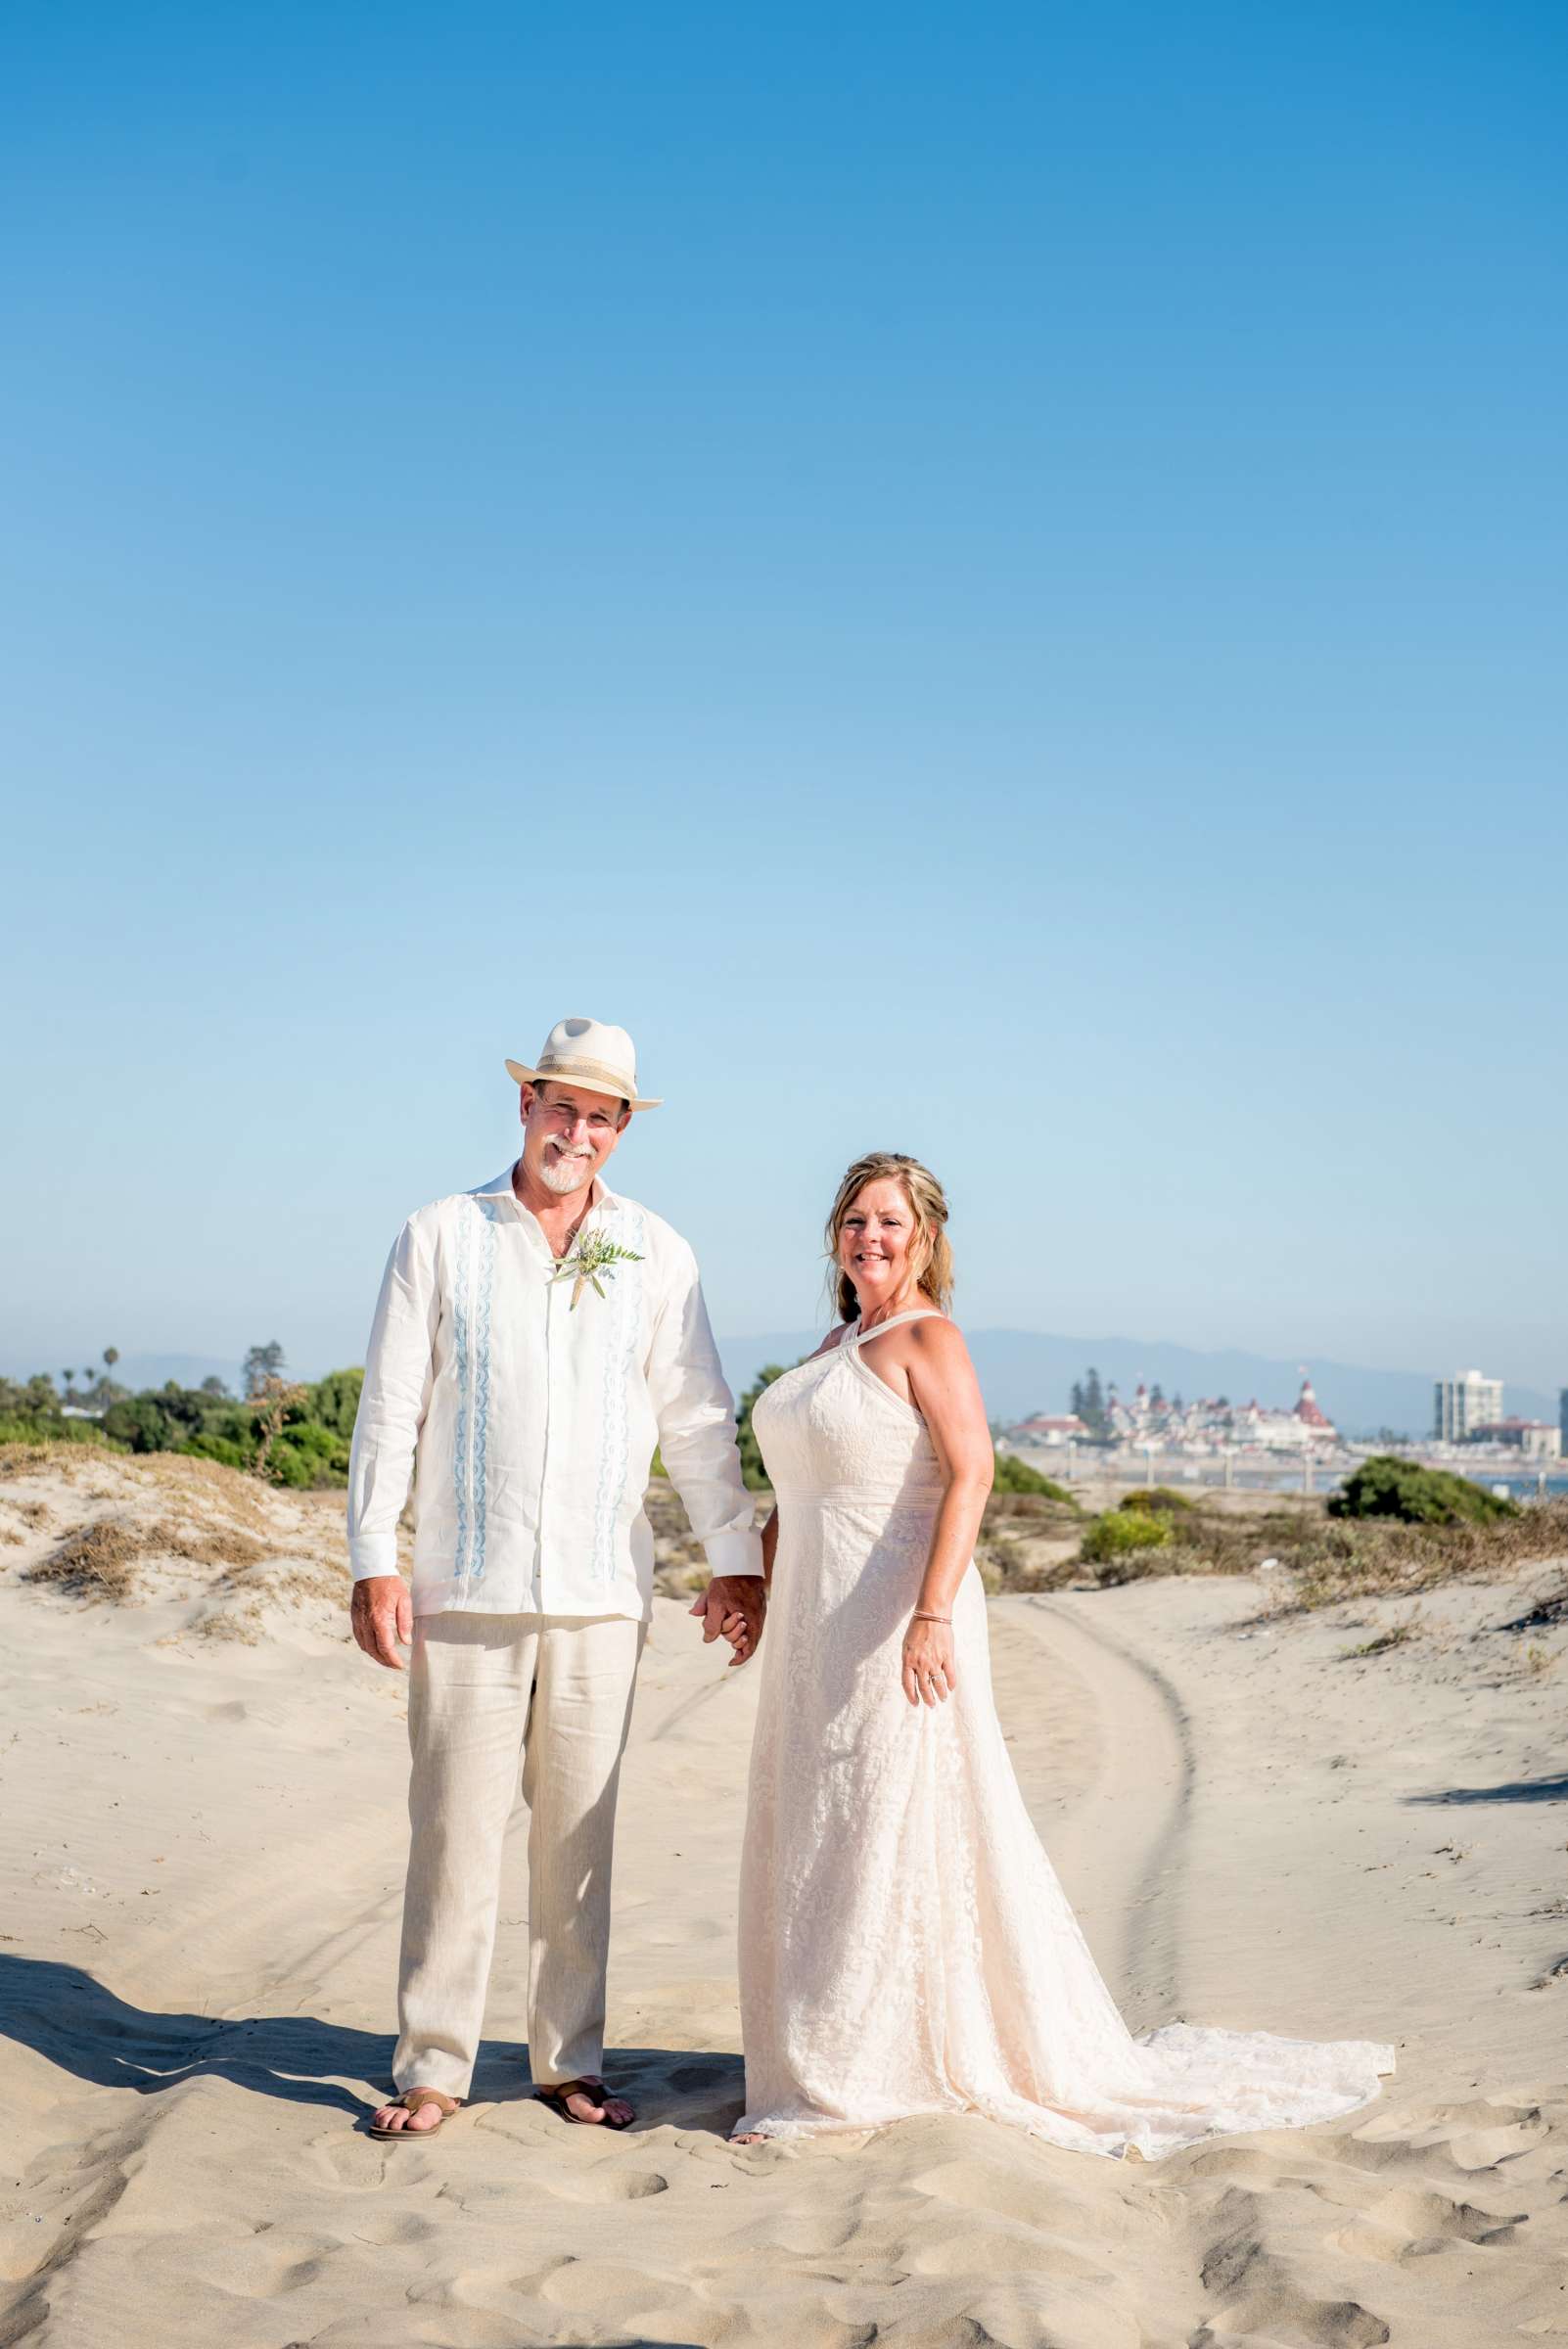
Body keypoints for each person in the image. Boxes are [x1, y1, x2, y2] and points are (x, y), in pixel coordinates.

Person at [733, 1150, 1393, 2154]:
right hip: (811, 1627)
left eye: (891, 1223)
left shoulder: (928, 1338)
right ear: (835, 1232)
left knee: (884, 1824)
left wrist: (933, 1613)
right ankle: (827, 2047)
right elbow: (798, 1492)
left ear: (924, 1242)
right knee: (821, 1826)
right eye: (856, 1219)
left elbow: (973, 1475)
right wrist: (751, 1584)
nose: (871, 1237)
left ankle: (865, 2071)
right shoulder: (838, 1341)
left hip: (897, 1613)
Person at [348, 1017, 764, 2140]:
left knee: (579, 1838)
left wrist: (736, 1560)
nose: (575, 1130)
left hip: (599, 1594)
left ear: (622, 1133)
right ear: (524, 1105)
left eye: (600, 1116)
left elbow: (696, 1416)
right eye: (560, 1105)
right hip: (461, 1586)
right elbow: (391, 1407)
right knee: (453, 1830)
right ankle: (433, 2064)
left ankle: (565, 2060)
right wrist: (372, 1559)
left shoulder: (659, 1252)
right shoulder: (439, 1233)